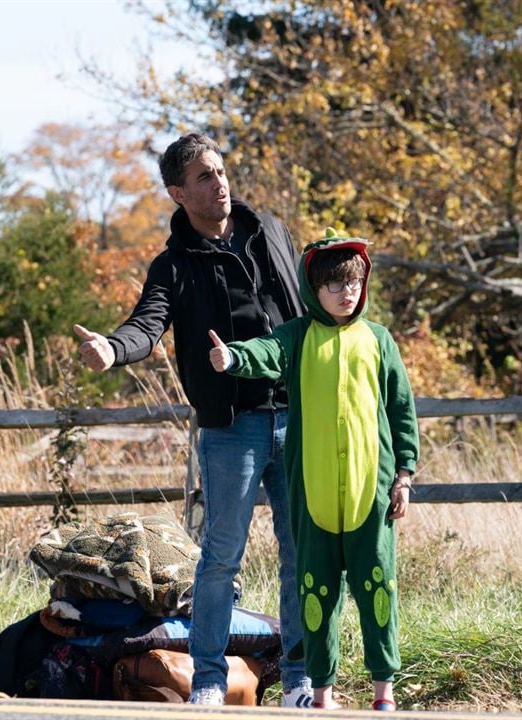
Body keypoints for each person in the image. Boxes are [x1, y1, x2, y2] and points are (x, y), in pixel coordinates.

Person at [73, 133, 313, 707]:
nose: (220, 182)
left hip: (299, 416)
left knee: (301, 554)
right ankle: (206, 680)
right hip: (233, 426)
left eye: (222, 171)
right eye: (204, 176)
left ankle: (302, 680)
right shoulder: (173, 264)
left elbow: (310, 311)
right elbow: (146, 324)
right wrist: (112, 348)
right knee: (221, 558)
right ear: (179, 192)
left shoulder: (270, 233)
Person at [208, 228, 419, 711]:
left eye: (353, 283)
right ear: (313, 289)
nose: (346, 293)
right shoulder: (298, 337)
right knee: (316, 594)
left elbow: (401, 409)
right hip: (313, 493)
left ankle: (383, 692)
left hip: (373, 494)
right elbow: (265, 352)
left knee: (377, 589)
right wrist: (233, 357)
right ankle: (320, 695)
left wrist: (404, 476)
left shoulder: (379, 340)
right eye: (334, 285)